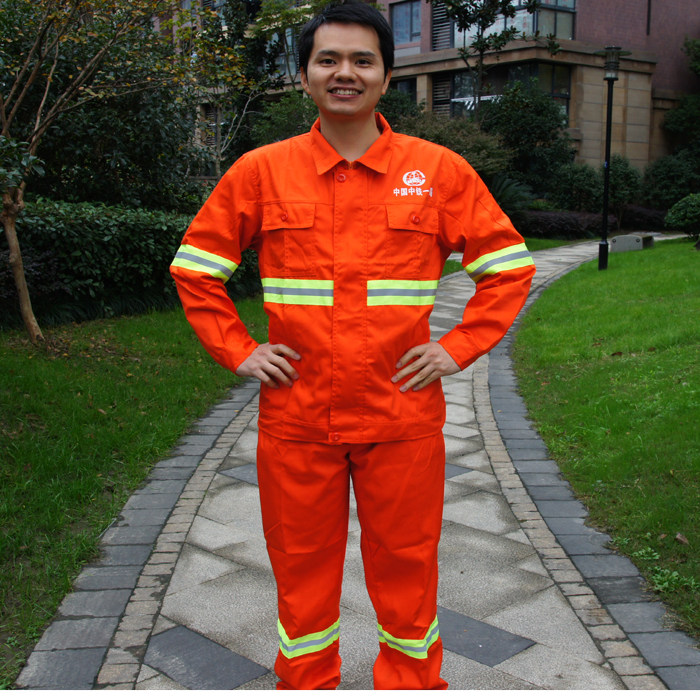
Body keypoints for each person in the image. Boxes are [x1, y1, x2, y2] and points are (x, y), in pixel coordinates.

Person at [170, 0, 535, 690]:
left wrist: (457, 348)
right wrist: (238, 350)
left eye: (363, 60)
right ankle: (307, 682)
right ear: (305, 75)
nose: (346, 72)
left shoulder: (438, 170)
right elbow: (196, 269)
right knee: (300, 569)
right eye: (328, 59)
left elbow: (509, 269)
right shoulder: (261, 171)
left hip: (401, 414)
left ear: (386, 76)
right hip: (297, 416)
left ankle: (411, 683)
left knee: (408, 566)